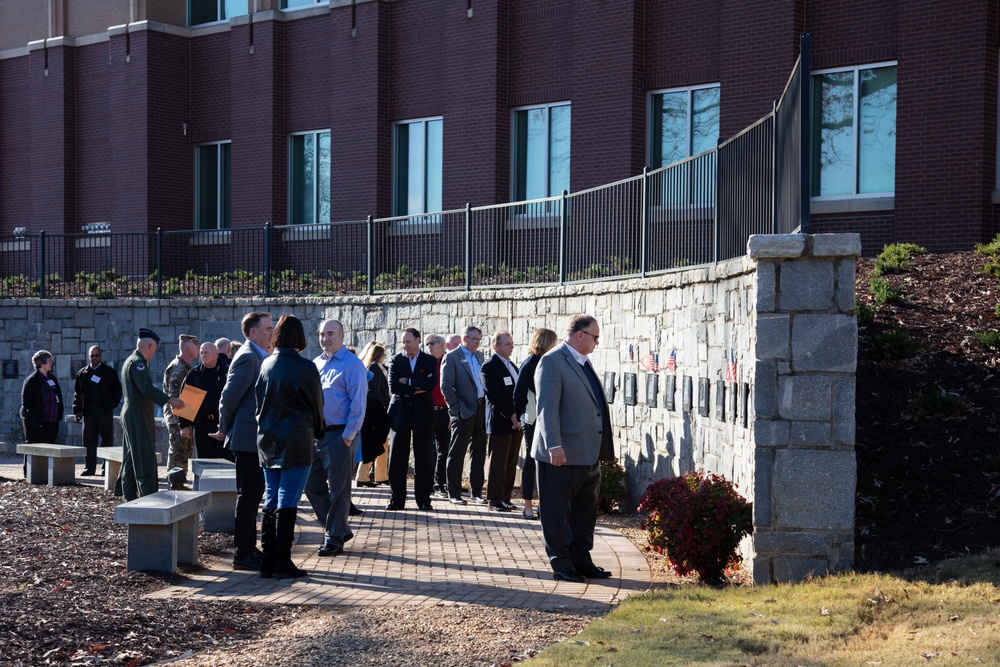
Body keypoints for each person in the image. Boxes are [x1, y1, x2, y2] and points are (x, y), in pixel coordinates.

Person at [533, 314, 615, 583]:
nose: (597, 343)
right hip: (561, 455)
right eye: (595, 337)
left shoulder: (582, 361)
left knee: (584, 513)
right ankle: (561, 563)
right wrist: (554, 445)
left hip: (587, 455)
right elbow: (546, 408)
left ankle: (582, 560)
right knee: (557, 512)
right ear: (580, 335)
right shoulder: (552, 361)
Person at [255, 315, 325, 578]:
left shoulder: (266, 364)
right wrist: (318, 431)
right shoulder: (306, 367)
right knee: (288, 498)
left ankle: (268, 560)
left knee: (271, 497)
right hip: (296, 439)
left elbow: (258, 403)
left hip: (268, 440)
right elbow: (317, 405)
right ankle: (283, 561)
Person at [303, 319, 369, 557]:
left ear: (342, 335)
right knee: (310, 485)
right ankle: (339, 528)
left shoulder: (353, 365)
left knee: (339, 490)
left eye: (330, 334)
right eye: (321, 334)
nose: (325, 338)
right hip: (316, 436)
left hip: (340, 435)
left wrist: (348, 436)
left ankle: (333, 539)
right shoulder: (315, 364)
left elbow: (358, 404)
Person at [214, 311, 273, 571]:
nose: (272, 332)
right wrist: (224, 428)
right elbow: (229, 396)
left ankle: (249, 547)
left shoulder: (259, 355)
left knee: (254, 495)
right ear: (252, 332)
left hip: (255, 439)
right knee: (248, 496)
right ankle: (242, 553)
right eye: (268, 329)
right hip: (246, 438)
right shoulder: (249, 358)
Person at [117, 330, 184, 501]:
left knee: (131, 458)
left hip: (132, 412)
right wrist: (170, 400)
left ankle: (130, 495)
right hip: (138, 415)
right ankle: (149, 498)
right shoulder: (138, 363)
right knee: (144, 456)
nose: (154, 353)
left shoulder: (130, 361)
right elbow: (146, 388)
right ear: (149, 346)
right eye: (154, 349)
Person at [385, 327, 438, 510]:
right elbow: (393, 387)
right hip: (400, 415)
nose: (405, 345)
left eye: (408, 341)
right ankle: (396, 499)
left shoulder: (429, 361)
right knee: (397, 458)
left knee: (424, 458)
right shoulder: (396, 360)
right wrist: (417, 387)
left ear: (418, 340)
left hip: (423, 414)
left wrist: (407, 382)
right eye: (403, 342)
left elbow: (431, 383)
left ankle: (423, 499)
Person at [513, 328, 558, 520]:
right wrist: (518, 417)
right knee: (532, 462)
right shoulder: (530, 363)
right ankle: (528, 506)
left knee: (547, 463)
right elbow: (518, 394)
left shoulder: (548, 362)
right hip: (532, 420)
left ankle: (544, 504)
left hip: (546, 419)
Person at [440, 326, 488, 505]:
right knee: (457, 452)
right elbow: (446, 386)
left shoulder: (479, 356)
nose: (477, 342)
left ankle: (476, 492)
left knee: (479, 452)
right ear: (464, 339)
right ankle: (454, 493)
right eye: (474, 339)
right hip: (463, 411)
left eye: (479, 339)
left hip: (481, 409)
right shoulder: (452, 357)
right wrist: (456, 410)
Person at [482, 331, 523, 512]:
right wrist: (511, 415)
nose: (511, 347)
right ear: (496, 346)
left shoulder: (512, 365)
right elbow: (495, 395)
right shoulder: (489, 366)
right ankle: (494, 499)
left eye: (512, 343)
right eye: (507, 344)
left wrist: (519, 416)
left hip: (516, 422)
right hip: (501, 421)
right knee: (498, 462)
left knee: (511, 461)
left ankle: (506, 497)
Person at [71, 345, 123, 476]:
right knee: (89, 440)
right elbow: (77, 393)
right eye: (91, 356)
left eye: (97, 355)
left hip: (104, 411)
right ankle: (89, 467)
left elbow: (117, 392)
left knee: (107, 439)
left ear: (101, 356)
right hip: (88, 411)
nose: (94, 358)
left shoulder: (109, 372)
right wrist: (77, 410)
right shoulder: (82, 373)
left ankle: (106, 467)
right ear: (88, 357)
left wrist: (109, 406)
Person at [178, 342, 230, 461]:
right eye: (201, 353)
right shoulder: (195, 374)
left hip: (221, 425)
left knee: (224, 462)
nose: (203, 355)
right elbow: (186, 400)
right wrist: (184, 425)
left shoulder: (226, 372)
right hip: (202, 425)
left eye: (206, 352)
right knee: (204, 462)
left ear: (216, 353)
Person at [20, 351, 65, 478]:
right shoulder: (31, 380)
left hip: (52, 421)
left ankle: (47, 473)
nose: (52, 363)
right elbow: (26, 403)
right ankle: (29, 474)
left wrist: (58, 415)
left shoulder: (52, 378)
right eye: (49, 361)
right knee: (33, 446)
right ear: (41, 363)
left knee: (50, 446)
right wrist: (35, 420)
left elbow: (58, 397)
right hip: (37, 422)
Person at [163, 334, 199, 489]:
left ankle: (178, 481)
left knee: (185, 451)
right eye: (197, 347)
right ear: (190, 348)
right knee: (178, 451)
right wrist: (182, 424)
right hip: (178, 419)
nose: (198, 350)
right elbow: (175, 400)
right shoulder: (179, 369)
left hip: (184, 417)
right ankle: (175, 483)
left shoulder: (185, 367)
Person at [356, 342, 390, 487]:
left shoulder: (381, 368)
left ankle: (380, 475)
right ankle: (363, 477)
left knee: (383, 444)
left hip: (381, 410)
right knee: (374, 443)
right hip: (376, 411)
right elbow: (372, 389)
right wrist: (382, 404)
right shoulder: (374, 368)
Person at [424, 333, 451, 498]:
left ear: (442, 345)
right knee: (426, 450)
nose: (429, 347)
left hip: (444, 413)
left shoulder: (449, 362)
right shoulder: (425, 363)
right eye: (427, 344)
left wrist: (452, 413)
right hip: (427, 411)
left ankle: (439, 484)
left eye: (432, 343)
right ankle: (426, 484)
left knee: (444, 450)